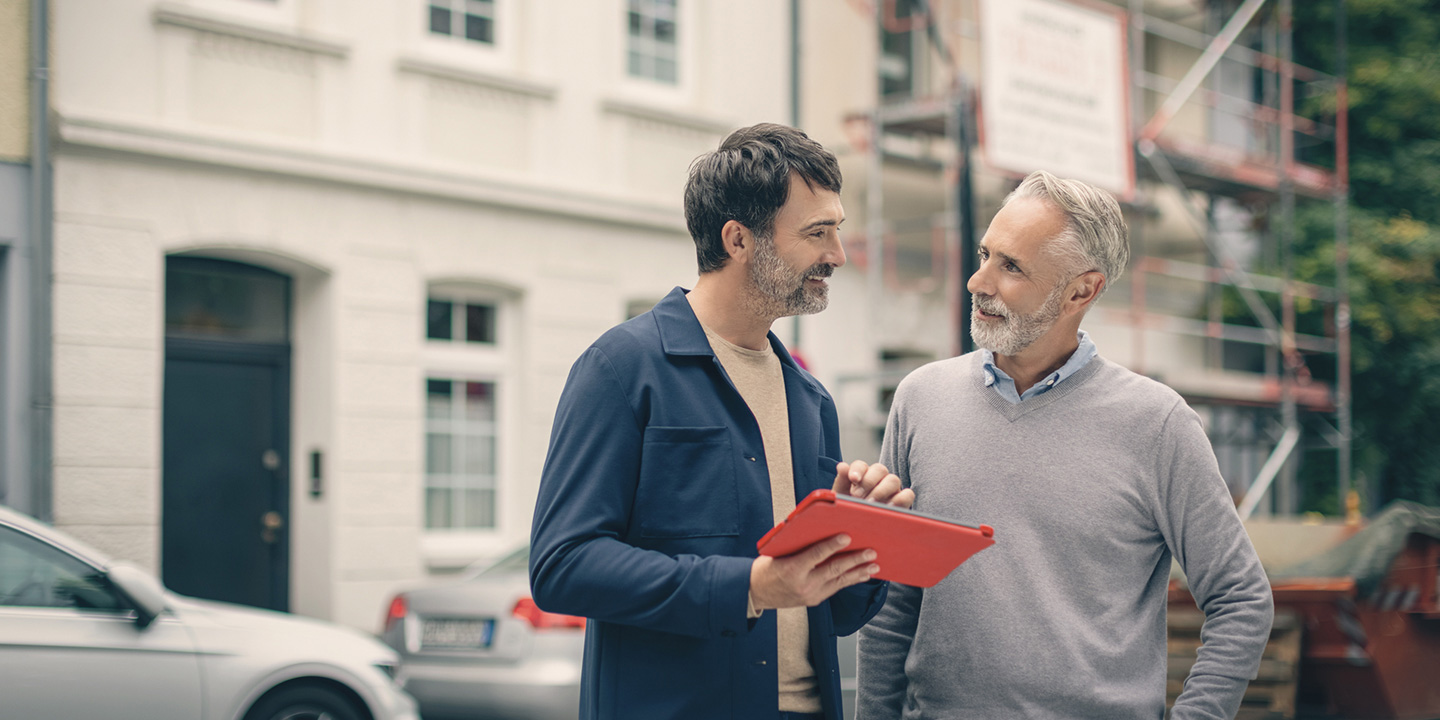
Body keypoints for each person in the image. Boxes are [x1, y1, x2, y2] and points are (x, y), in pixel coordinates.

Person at [530, 123, 915, 720]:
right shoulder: (622, 368)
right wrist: (750, 587)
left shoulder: (810, 399)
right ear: (738, 239)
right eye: (817, 233)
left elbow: (833, 615)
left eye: (838, 231)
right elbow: (563, 565)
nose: (837, 255)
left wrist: (861, 536)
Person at [857, 170, 1274, 720]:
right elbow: (892, 599)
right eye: (985, 254)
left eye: (1011, 266)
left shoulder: (1157, 424)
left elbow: (1241, 599)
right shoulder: (920, 398)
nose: (978, 281)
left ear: (1082, 290)